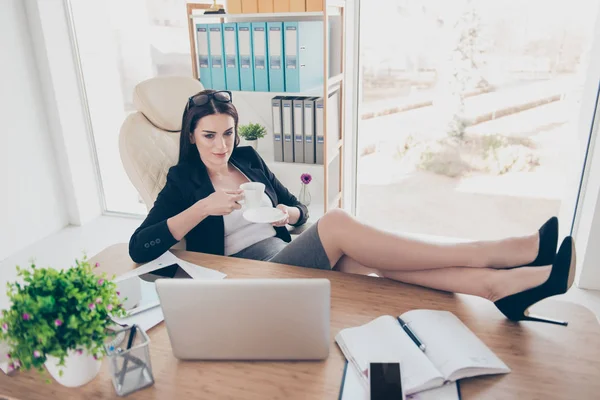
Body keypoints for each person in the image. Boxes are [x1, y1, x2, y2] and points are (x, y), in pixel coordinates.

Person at [129, 89, 576, 325]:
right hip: (251, 275)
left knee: (370, 260)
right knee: (339, 221)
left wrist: (289, 215)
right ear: (191, 136)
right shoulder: (182, 181)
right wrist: (203, 207)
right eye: (210, 135)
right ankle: (490, 252)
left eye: (228, 133)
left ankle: (498, 289)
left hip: (286, 252)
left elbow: (295, 209)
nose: (222, 145)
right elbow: (140, 247)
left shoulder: (246, 159)